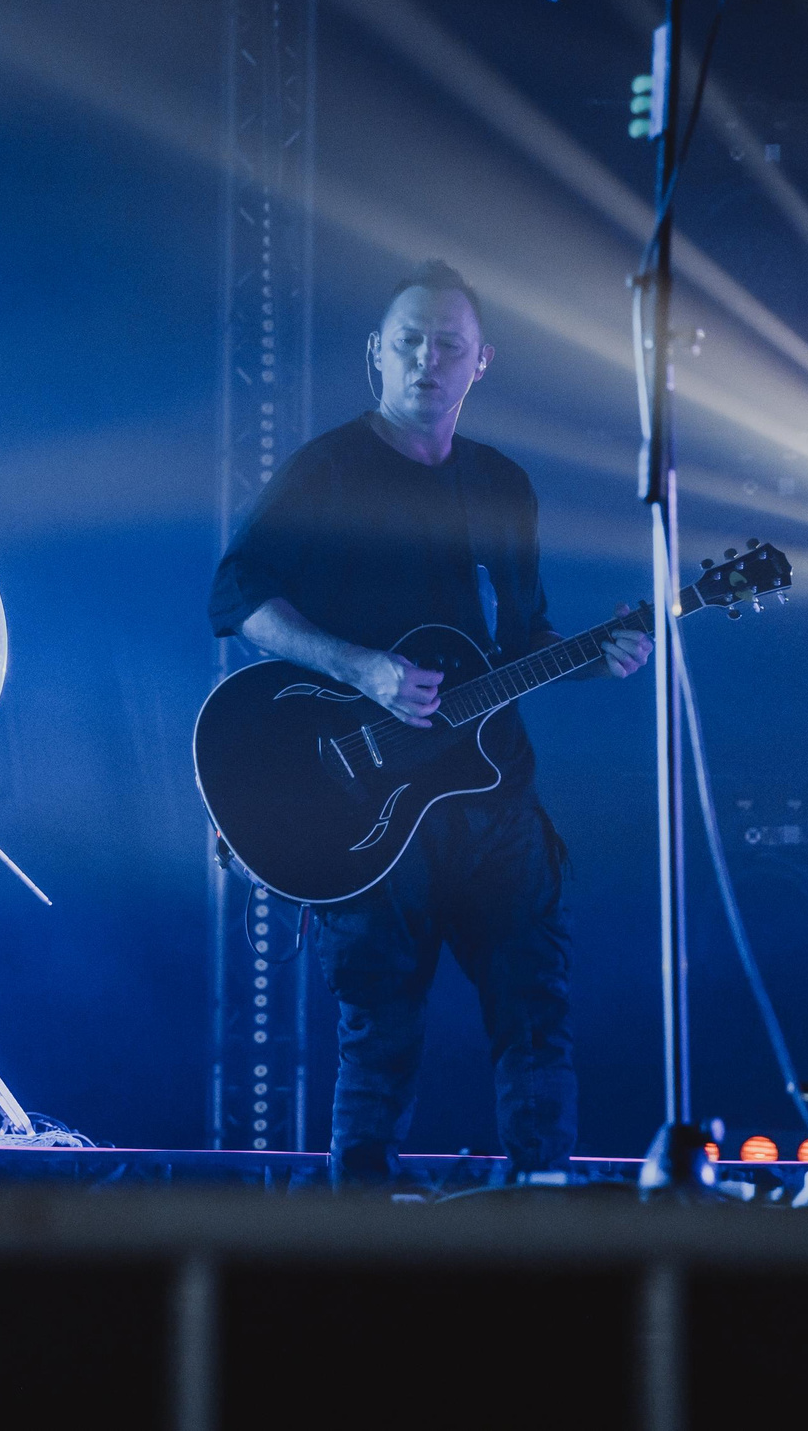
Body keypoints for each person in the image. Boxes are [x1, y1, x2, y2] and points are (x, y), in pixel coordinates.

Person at [207, 260, 649, 1184]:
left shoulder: (502, 485)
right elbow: (236, 596)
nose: (426, 360)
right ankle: (360, 1241)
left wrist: (596, 651)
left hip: (495, 798)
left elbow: (522, 638)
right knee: (379, 1029)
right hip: (368, 808)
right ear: (377, 352)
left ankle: (544, 1210)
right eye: (408, 341)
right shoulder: (325, 470)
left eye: (447, 345)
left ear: (480, 362)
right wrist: (360, 666)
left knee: (538, 1013)